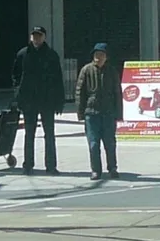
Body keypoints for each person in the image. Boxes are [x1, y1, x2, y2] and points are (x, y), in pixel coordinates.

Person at [11, 25, 65, 174]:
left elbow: (58, 79)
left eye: (39, 35)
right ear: (30, 37)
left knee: (49, 134)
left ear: (44, 37)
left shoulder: (51, 55)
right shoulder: (23, 54)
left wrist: (59, 101)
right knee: (29, 133)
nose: (36, 38)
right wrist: (18, 93)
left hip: (47, 100)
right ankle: (28, 165)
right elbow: (15, 74)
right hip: (29, 101)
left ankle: (51, 166)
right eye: (34, 35)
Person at [75, 41, 121, 180]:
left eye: (101, 54)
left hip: (108, 113)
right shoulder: (86, 70)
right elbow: (79, 91)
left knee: (110, 143)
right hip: (91, 113)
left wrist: (119, 113)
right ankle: (96, 170)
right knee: (93, 144)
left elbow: (117, 93)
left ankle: (112, 168)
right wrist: (80, 112)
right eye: (96, 54)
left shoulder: (112, 71)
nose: (98, 57)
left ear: (106, 57)